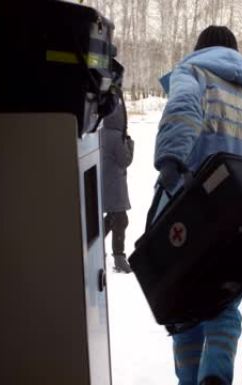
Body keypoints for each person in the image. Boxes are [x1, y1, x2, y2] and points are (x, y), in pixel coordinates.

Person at [154, 26, 242, 385]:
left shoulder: (193, 72)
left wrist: (170, 159)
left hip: (194, 212)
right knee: (224, 301)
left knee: (182, 304)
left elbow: (183, 109)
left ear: (199, 49)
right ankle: (215, 375)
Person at [100, 64, 134, 274]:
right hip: (114, 185)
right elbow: (125, 160)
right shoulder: (116, 137)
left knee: (113, 219)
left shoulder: (104, 132)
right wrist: (130, 143)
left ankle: (91, 245)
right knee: (120, 219)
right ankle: (119, 259)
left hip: (108, 183)